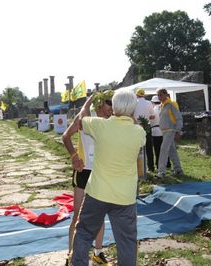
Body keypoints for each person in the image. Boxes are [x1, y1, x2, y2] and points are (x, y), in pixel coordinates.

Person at [70, 90, 145, 266]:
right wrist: (130, 116)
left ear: (114, 106)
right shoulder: (139, 133)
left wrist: (87, 104)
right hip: (125, 197)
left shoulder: (100, 126)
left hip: (98, 193)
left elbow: (82, 120)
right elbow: (135, 127)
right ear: (133, 109)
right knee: (127, 242)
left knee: (84, 233)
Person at [62, 90, 114, 266]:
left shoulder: (112, 120)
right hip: (83, 171)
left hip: (100, 172)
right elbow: (66, 136)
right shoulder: (85, 116)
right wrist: (74, 156)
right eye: (109, 103)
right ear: (100, 103)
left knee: (99, 214)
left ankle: (98, 253)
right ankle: (71, 252)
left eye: (114, 104)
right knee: (78, 214)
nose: (112, 108)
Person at [155, 88, 183, 178]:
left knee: (163, 149)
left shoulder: (172, 104)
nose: (159, 97)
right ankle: (178, 170)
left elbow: (179, 117)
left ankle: (161, 172)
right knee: (172, 151)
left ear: (166, 94)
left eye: (160, 95)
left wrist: (178, 131)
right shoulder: (162, 105)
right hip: (165, 131)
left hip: (171, 130)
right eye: (158, 95)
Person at [133, 88, 155, 172]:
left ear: (136, 95)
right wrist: (146, 117)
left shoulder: (134, 103)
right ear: (144, 95)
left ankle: (138, 168)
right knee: (149, 147)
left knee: (136, 148)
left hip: (136, 127)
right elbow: (153, 116)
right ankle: (151, 167)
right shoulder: (149, 103)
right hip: (146, 126)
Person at [150, 95, 171, 171]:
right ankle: (168, 163)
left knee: (157, 149)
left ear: (153, 102)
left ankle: (159, 165)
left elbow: (151, 121)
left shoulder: (153, 110)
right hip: (165, 131)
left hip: (156, 131)